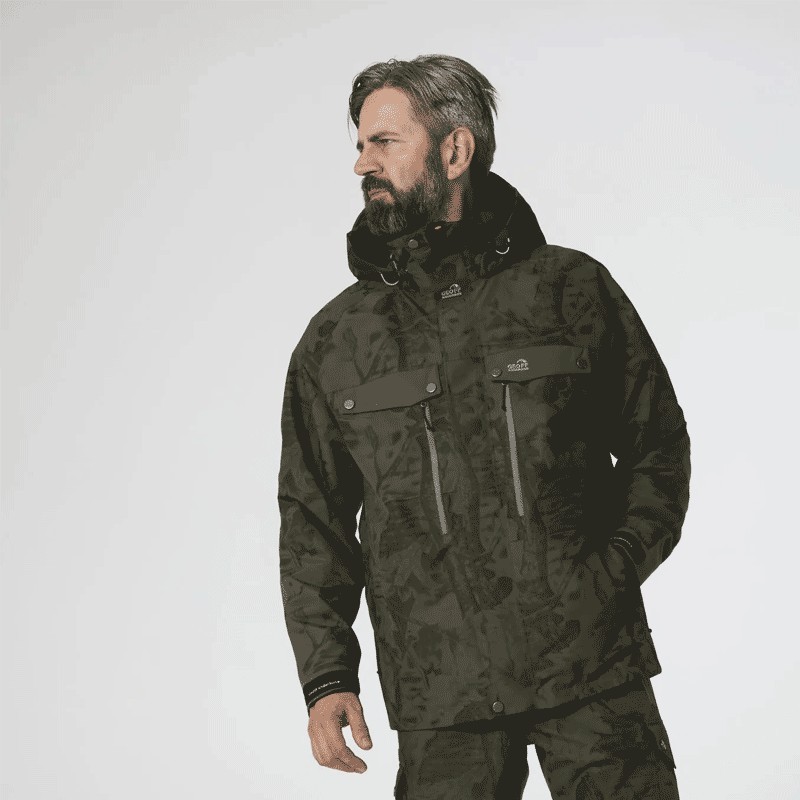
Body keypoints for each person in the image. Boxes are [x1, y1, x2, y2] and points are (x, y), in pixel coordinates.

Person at [277, 54, 691, 799]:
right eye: (361, 144)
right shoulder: (337, 341)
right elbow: (313, 520)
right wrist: (327, 676)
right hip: (442, 693)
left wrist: (614, 569)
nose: (362, 163)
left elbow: (657, 446)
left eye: (384, 142)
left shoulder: (570, 290)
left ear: (455, 150)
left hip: (590, 670)